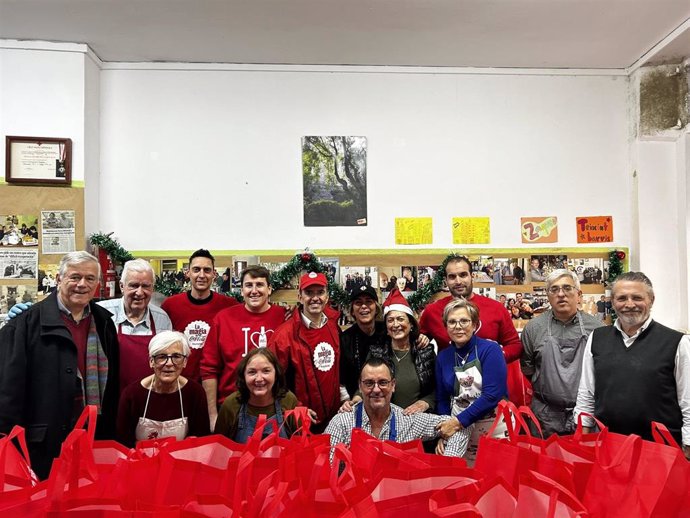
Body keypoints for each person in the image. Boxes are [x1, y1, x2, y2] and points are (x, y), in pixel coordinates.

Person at [0, 251, 120, 479]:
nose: (82, 284)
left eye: (90, 278)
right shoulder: (24, 325)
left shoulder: (104, 324)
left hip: (92, 439)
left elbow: (113, 389)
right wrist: (8, 444)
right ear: (58, 279)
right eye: (75, 277)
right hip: (40, 446)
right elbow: (7, 391)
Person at [575, 272, 690, 458]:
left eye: (637, 297)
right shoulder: (597, 338)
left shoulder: (677, 342)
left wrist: (688, 446)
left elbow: (688, 401)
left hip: (661, 450)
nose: (629, 304)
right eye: (622, 298)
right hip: (609, 446)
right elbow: (587, 393)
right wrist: (583, 437)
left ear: (651, 300)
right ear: (612, 302)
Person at [326, 357, 470, 458]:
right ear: (360, 386)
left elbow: (462, 426)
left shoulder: (408, 421)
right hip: (353, 498)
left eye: (383, 382)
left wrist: (447, 461)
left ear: (393, 385)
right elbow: (324, 467)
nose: (376, 389)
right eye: (369, 383)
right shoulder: (342, 423)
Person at [201, 265, 286, 431]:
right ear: (241, 291)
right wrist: (212, 415)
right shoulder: (223, 319)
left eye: (259, 285)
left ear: (269, 289)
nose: (254, 291)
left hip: (274, 407)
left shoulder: (284, 316)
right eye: (248, 285)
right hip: (231, 408)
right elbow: (208, 369)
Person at [520, 270, 603, 437]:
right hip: (545, 415)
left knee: (584, 460)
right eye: (554, 289)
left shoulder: (597, 328)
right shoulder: (533, 328)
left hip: (585, 416)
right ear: (548, 295)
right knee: (544, 461)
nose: (561, 294)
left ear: (579, 295)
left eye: (567, 288)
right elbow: (528, 369)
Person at [435, 298, 508, 464]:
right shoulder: (443, 357)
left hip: (493, 428)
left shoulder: (490, 350)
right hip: (459, 433)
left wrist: (456, 423)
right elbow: (442, 399)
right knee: (463, 482)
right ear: (446, 326)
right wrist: (445, 432)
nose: (458, 326)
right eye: (452, 322)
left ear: (475, 325)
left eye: (464, 321)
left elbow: (492, 395)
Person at [269, 272, 340, 433]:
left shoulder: (333, 328)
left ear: (327, 297)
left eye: (320, 292)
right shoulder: (283, 336)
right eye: (309, 293)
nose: (315, 298)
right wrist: (296, 408)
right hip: (299, 424)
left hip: (333, 421)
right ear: (300, 297)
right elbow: (271, 382)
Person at [339, 285, 431, 409]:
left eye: (369, 302)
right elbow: (345, 380)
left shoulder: (420, 348)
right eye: (358, 303)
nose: (395, 324)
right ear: (351, 310)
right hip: (369, 404)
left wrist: (420, 337)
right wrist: (352, 400)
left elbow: (435, 388)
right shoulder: (345, 339)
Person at [116, 331, 210, 447]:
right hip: (139, 462)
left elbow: (201, 441)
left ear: (185, 362)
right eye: (162, 357)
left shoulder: (195, 393)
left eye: (176, 357)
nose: (169, 363)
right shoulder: (132, 395)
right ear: (151, 362)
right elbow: (122, 443)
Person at [161, 249, 238, 382]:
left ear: (214, 274)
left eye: (207, 270)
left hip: (217, 382)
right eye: (196, 270)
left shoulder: (230, 306)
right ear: (188, 273)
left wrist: (286, 311)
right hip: (179, 382)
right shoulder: (170, 306)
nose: (201, 275)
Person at [98, 259, 172, 390]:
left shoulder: (161, 319)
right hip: (111, 397)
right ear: (122, 286)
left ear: (152, 288)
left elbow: (166, 362)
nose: (139, 292)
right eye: (133, 285)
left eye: (146, 286)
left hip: (148, 396)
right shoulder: (102, 314)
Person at [368, 289, 435, 414]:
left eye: (400, 319)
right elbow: (365, 384)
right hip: (383, 419)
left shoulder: (426, 352)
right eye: (390, 320)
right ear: (387, 328)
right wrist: (355, 399)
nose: (395, 324)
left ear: (411, 325)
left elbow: (438, 388)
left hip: (417, 421)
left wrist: (425, 402)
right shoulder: (375, 352)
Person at [215, 347, 300, 443]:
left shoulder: (288, 400)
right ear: (243, 376)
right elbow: (219, 448)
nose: (259, 379)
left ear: (276, 374)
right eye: (252, 372)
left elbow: (301, 447)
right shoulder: (230, 405)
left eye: (266, 371)